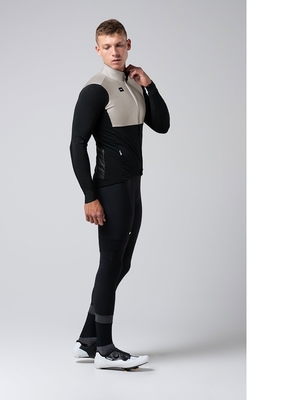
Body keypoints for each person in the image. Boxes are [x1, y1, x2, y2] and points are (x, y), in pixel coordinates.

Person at [69, 19, 170, 370]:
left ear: (128, 45)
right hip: (110, 187)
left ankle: (88, 340)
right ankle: (105, 349)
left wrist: (150, 85)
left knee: (121, 263)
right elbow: (77, 144)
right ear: (98, 50)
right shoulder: (96, 89)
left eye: (119, 45)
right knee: (111, 262)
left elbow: (161, 125)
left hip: (132, 185)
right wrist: (89, 195)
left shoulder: (133, 83)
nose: (114, 52)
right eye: (107, 46)